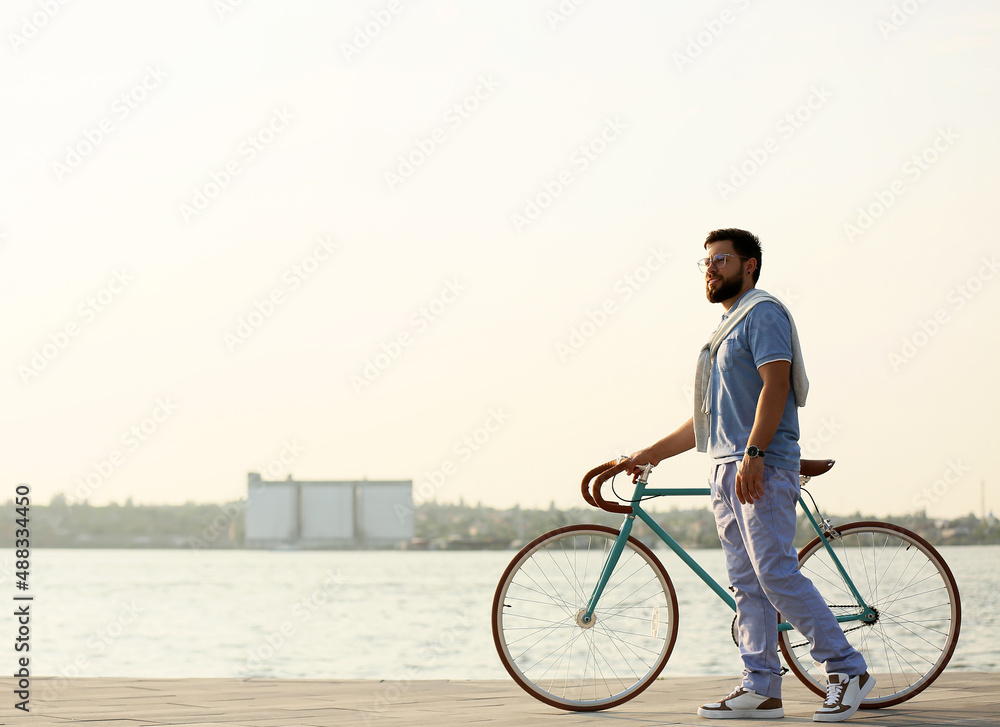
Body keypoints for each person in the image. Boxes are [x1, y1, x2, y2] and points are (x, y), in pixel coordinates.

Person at [626, 229, 874, 722]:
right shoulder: (722, 333)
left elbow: (776, 385)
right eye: (705, 262)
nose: (711, 269)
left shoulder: (762, 313)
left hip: (759, 464)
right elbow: (705, 422)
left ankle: (848, 669)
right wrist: (647, 454)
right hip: (726, 466)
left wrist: (756, 453)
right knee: (747, 583)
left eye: (721, 259)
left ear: (750, 266)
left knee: (774, 573)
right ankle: (761, 687)